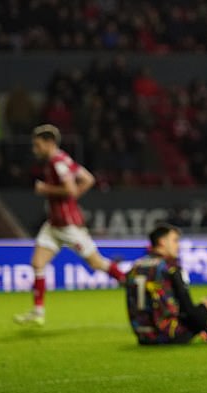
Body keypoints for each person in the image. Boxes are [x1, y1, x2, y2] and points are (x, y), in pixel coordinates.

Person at [14, 124, 126, 326]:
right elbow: (88, 179)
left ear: (49, 143)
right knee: (38, 264)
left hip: (68, 226)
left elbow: (71, 189)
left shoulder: (58, 163)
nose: (35, 149)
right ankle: (38, 312)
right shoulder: (61, 158)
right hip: (54, 224)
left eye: (38, 145)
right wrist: (70, 199)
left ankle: (130, 282)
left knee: (97, 263)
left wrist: (45, 188)